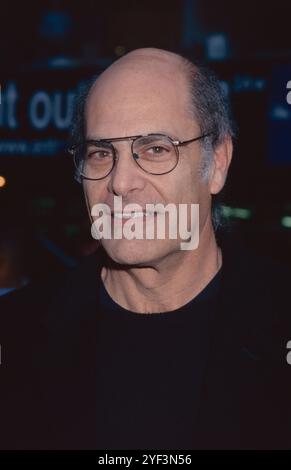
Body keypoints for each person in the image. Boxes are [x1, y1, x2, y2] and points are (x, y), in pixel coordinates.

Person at [1, 48, 291, 450]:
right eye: (101, 153)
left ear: (218, 162)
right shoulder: (16, 334)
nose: (121, 182)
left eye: (156, 149)